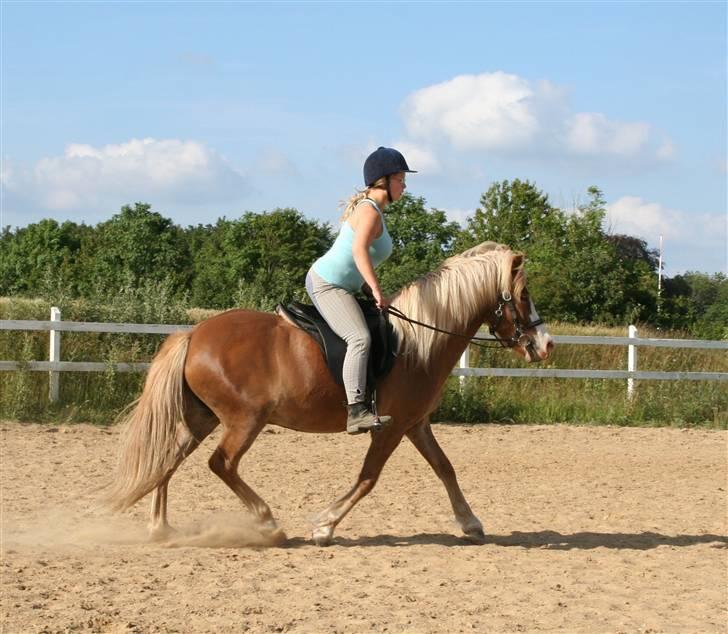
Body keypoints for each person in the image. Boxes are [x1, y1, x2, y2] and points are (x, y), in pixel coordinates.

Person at [306, 147, 416, 434]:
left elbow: (357, 259)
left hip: (346, 286)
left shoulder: (375, 210)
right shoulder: (369, 211)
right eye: (401, 179)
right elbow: (358, 251)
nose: (404, 186)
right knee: (359, 338)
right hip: (327, 284)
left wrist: (368, 289)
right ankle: (356, 410)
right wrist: (378, 290)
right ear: (385, 180)